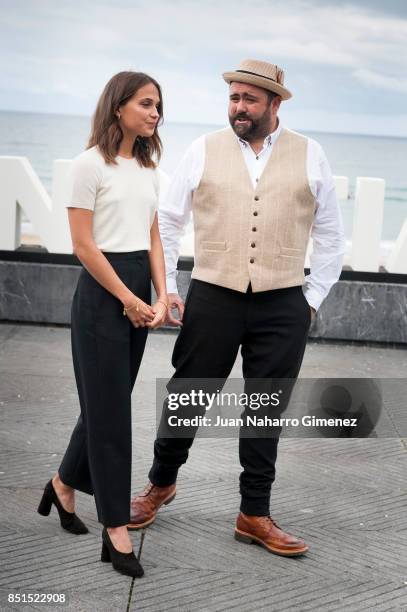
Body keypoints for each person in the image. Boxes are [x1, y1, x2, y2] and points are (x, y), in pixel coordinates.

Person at [129, 59, 346, 557]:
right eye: (233, 98)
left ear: (274, 103)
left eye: (249, 99)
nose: (239, 107)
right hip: (213, 295)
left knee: (265, 410)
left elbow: (332, 233)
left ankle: (254, 513)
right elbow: (167, 221)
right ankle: (160, 484)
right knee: (188, 395)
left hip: (283, 302)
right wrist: (170, 287)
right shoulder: (202, 149)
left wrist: (310, 300)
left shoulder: (311, 155)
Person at [37, 71, 168, 577]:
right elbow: (83, 246)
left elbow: (154, 238)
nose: (155, 113)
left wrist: (157, 295)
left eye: (159, 106)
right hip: (101, 294)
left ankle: (63, 484)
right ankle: (115, 526)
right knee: (111, 414)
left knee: (104, 404)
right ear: (119, 107)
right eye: (146, 103)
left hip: (136, 287)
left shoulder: (149, 168)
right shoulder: (87, 165)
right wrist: (129, 299)